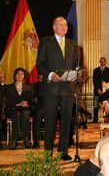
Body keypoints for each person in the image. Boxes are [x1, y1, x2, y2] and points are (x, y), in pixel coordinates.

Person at [36, 16, 79, 160]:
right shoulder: (45, 42)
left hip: (67, 88)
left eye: (66, 25)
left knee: (66, 121)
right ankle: (48, 154)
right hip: (51, 88)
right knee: (50, 121)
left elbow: (75, 64)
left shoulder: (72, 44)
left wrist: (78, 72)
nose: (64, 27)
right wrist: (50, 74)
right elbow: (40, 63)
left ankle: (63, 152)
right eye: (61, 25)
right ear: (54, 27)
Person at [5, 67, 33, 149]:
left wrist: (27, 103)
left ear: (24, 76)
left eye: (22, 74)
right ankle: (16, 139)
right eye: (18, 74)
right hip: (13, 109)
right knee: (16, 114)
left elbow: (32, 101)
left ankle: (24, 139)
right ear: (14, 76)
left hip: (25, 109)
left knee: (24, 114)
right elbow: (7, 102)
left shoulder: (29, 87)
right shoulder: (8, 87)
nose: (20, 76)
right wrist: (17, 104)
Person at [92, 57, 109, 122]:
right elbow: (94, 81)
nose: (102, 62)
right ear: (100, 62)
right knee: (96, 105)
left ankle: (107, 119)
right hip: (97, 91)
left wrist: (106, 89)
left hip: (106, 91)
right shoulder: (96, 70)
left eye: (104, 61)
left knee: (107, 105)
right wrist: (98, 89)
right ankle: (95, 119)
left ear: (105, 62)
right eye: (101, 61)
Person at [32, 74, 44, 149]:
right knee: (37, 115)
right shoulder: (35, 85)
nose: (41, 80)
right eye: (40, 78)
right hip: (39, 107)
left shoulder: (50, 84)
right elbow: (32, 97)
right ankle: (36, 141)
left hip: (51, 107)